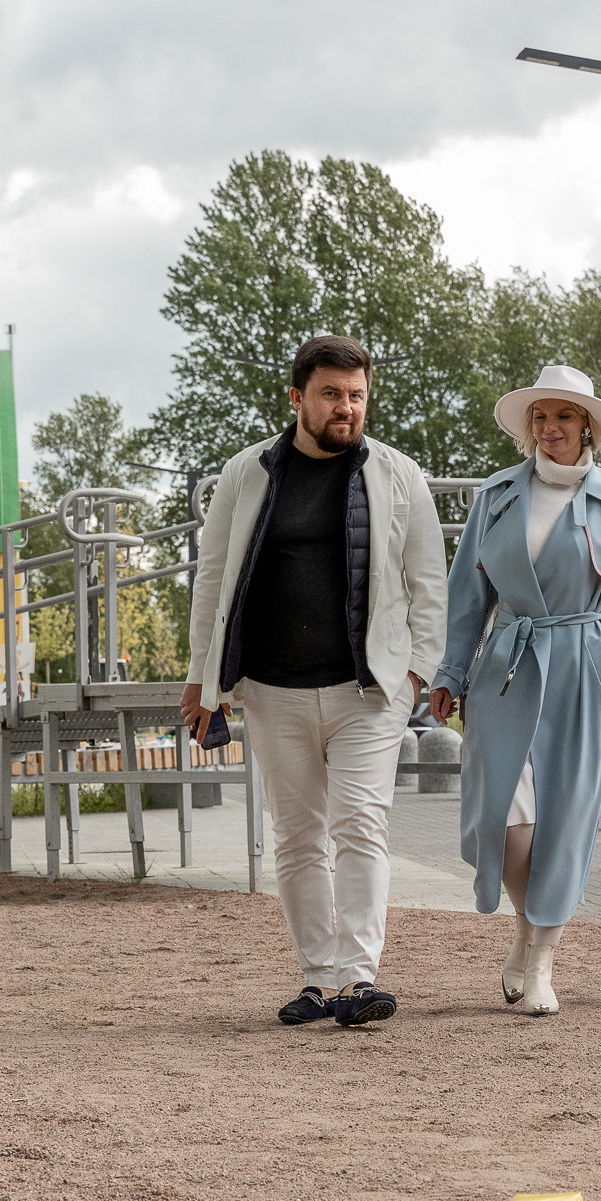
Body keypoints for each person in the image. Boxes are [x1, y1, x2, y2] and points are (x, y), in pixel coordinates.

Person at [180, 335, 448, 1028]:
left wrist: (415, 674)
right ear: (298, 398)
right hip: (271, 688)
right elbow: (212, 583)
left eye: (357, 396)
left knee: (362, 823)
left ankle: (359, 979)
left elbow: (429, 585)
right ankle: (318, 979)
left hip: (370, 691)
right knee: (299, 835)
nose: (346, 408)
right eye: (331, 394)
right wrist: (200, 678)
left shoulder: (398, 474)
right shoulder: (247, 475)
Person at [429, 365, 601, 1016]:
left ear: (587, 425)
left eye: (562, 417)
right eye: (540, 417)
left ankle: (542, 959)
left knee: (565, 818)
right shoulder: (495, 496)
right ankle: (528, 929)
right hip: (506, 664)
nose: (549, 428)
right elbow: (468, 596)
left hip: (586, 666)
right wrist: (450, 670)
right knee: (501, 816)